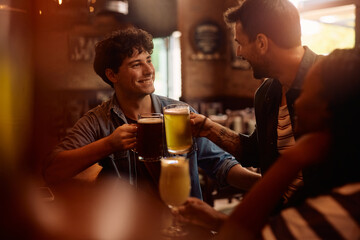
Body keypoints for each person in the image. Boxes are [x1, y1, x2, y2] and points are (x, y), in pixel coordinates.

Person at [43, 27, 260, 199]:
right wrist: (108, 144)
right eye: (136, 64)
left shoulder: (179, 113)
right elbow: (53, 170)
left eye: (149, 60)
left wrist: (267, 184)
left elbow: (221, 165)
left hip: (186, 228)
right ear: (112, 75)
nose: (149, 70)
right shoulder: (97, 122)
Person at [215, 48, 360, 239]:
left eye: (306, 91)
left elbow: (233, 235)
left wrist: (292, 159)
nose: (296, 102)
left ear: (326, 108)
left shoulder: (331, 213)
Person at [190, 0, 322, 203]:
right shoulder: (266, 93)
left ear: (261, 43)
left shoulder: (332, 81)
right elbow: (254, 152)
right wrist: (208, 128)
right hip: (280, 221)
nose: (239, 53)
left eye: (240, 43)